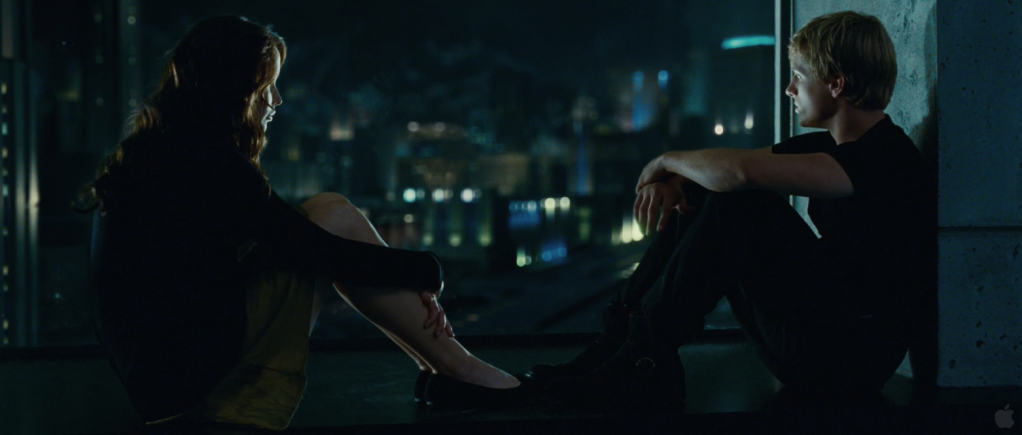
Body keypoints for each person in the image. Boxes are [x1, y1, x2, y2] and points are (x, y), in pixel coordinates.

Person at [79, 16, 522, 432]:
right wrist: (428, 272)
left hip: (160, 379)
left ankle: (443, 367)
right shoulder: (206, 159)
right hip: (187, 383)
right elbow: (317, 249)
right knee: (334, 215)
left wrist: (412, 273)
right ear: (234, 86)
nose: (276, 100)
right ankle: (459, 368)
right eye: (266, 85)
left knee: (329, 218)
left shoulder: (162, 148)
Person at [527, 11, 933, 407]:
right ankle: (618, 349)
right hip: (821, 338)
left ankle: (642, 361)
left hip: (850, 360)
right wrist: (676, 182)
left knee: (741, 202)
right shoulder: (830, 148)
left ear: (836, 83)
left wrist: (666, 160)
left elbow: (740, 173)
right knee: (712, 194)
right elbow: (726, 167)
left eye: (799, 76)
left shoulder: (884, 158)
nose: (790, 89)